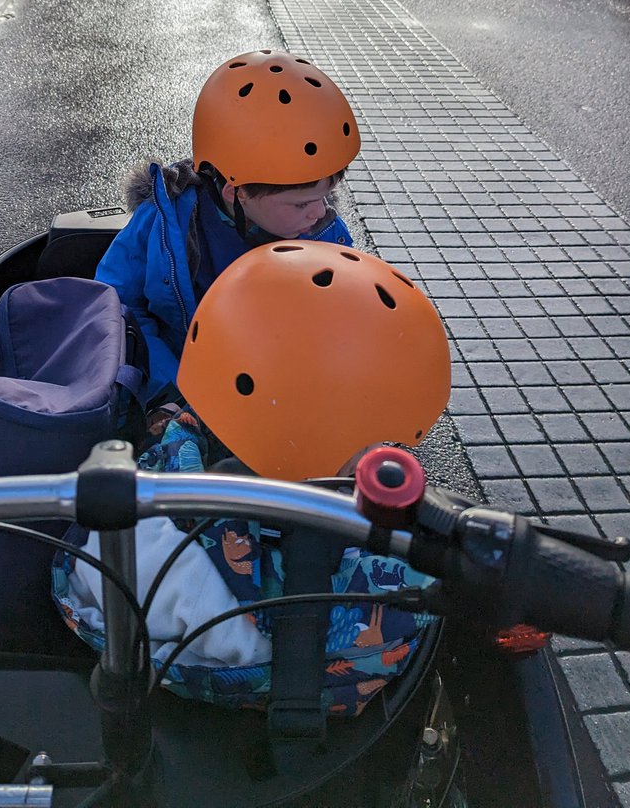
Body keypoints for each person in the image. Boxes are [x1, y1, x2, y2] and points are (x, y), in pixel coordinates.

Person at [53, 239, 452, 716]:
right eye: (376, 443)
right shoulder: (216, 592)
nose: (387, 457)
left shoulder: (145, 519)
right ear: (318, 438)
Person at [95, 49, 361, 415]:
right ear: (236, 193)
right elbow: (118, 304)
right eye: (301, 204)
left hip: (274, 401)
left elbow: (340, 325)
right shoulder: (164, 222)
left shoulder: (324, 235)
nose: (320, 212)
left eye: (325, 195)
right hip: (175, 390)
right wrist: (169, 391)